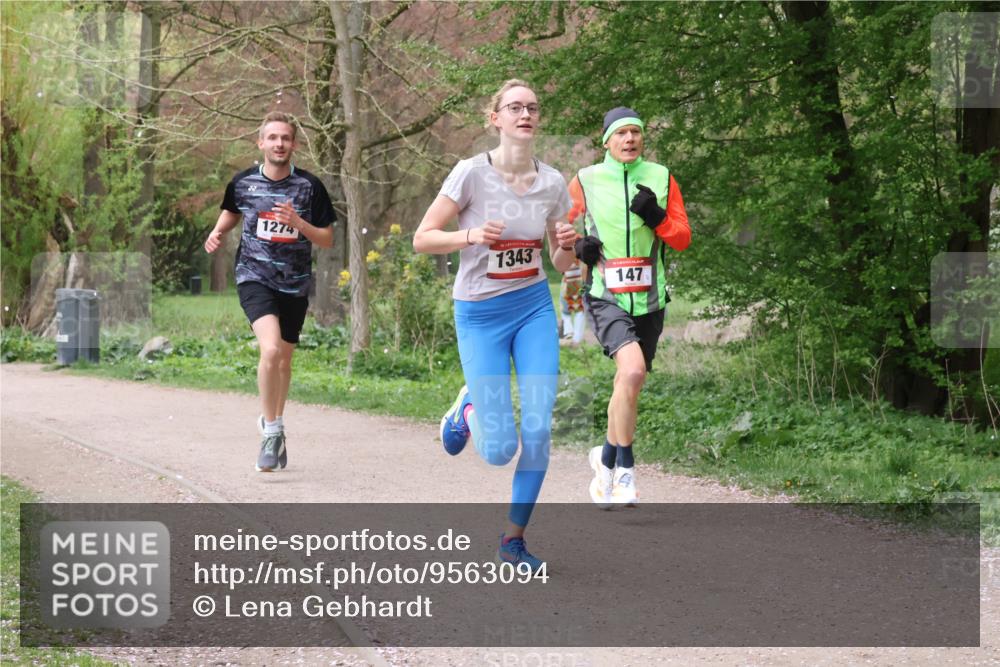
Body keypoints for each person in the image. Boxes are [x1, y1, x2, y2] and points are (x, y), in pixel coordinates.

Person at [413, 79, 578, 571]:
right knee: (500, 450)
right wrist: (469, 235)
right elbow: (423, 238)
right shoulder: (470, 173)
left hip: (532, 306)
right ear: (495, 118)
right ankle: (467, 409)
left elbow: (560, 260)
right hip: (480, 313)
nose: (525, 114)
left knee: (539, 428)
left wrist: (568, 245)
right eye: (515, 107)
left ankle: (512, 541)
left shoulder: (553, 182)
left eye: (532, 107)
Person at [569, 107, 690, 509]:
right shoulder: (585, 180)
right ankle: (625, 470)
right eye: (621, 133)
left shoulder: (662, 177)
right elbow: (559, 228)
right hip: (606, 295)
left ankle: (603, 462)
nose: (629, 139)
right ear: (606, 141)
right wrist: (578, 246)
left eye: (635, 132)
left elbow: (682, 238)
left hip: (650, 300)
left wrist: (657, 217)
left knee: (630, 383)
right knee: (633, 370)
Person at [204, 111, 335, 472]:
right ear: (261, 142)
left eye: (285, 138)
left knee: (284, 361)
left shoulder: (310, 187)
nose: (279, 144)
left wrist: (298, 222)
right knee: (271, 349)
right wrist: (217, 231)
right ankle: (271, 431)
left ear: (294, 144)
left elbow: (326, 239)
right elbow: (232, 210)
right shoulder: (243, 182)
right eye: (273, 137)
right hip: (254, 277)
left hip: (295, 283)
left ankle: (274, 423)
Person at [559, 260, 586, 346]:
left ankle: (570, 334)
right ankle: (575, 337)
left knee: (567, 311)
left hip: (571, 280)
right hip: (576, 279)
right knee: (579, 311)